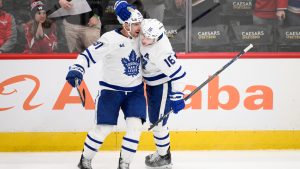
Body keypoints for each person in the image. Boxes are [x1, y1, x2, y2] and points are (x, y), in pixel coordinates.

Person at [65, 1, 145, 169]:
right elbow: (87, 56)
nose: (139, 27)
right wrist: (77, 69)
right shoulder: (110, 39)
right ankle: (85, 160)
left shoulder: (143, 37)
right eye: (135, 24)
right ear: (125, 24)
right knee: (103, 129)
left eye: (140, 23)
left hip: (135, 91)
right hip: (111, 91)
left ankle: (125, 163)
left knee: (135, 128)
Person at [139, 18, 186, 169]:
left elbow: (179, 74)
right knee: (156, 121)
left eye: (149, 39)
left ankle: (164, 157)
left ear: (157, 37)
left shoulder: (162, 52)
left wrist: (177, 96)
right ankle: (162, 153)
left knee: (158, 124)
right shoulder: (146, 30)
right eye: (143, 36)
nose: (144, 40)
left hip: (162, 87)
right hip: (152, 86)